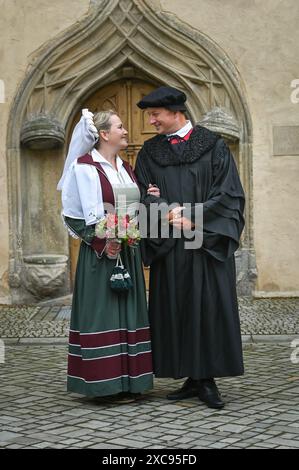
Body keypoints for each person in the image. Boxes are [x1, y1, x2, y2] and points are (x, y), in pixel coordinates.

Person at [134, 86, 245, 409]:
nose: (151, 121)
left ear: (176, 112)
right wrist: (165, 211)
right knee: (177, 309)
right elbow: (143, 192)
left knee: (207, 308)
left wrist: (194, 217)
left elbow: (229, 195)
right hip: (170, 247)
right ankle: (190, 376)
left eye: (155, 115)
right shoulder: (150, 152)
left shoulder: (213, 146)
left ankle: (207, 379)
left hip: (205, 243)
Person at [57, 109, 158, 400]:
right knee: (103, 315)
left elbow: (131, 207)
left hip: (127, 252)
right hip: (100, 257)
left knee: (129, 312)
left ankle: (132, 382)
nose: (126, 131)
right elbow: (72, 215)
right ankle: (104, 384)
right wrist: (102, 241)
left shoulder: (126, 167)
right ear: (103, 134)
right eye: (120, 126)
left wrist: (147, 195)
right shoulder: (84, 167)